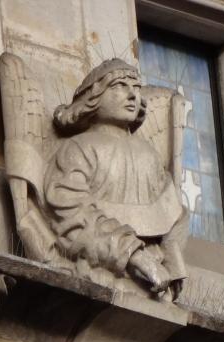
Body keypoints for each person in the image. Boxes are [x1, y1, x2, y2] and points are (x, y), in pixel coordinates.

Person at [44, 59, 188, 296]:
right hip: (100, 275)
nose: (133, 95)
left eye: (137, 87)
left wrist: (171, 261)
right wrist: (133, 255)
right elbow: (71, 213)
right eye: (120, 85)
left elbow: (173, 214)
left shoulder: (150, 155)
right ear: (94, 96)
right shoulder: (79, 148)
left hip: (155, 282)